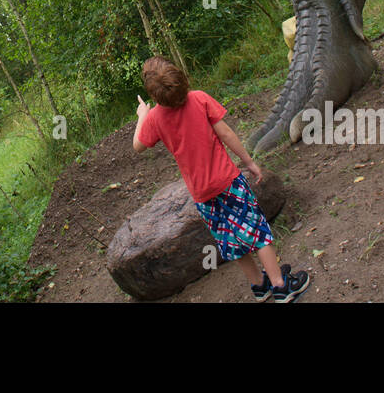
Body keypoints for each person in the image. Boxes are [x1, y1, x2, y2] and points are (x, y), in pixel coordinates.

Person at [133, 55, 310, 302]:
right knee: (257, 231)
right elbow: (226, 133)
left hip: (202, 195)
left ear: (154, 96)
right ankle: (280, 285)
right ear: (180, 77)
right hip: (228, 183)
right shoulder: (199, 98)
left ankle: (259, 286)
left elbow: (138, 145)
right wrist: (249, 162)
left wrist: (143, 114)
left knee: (230, 240)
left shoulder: (155, 118)